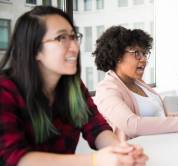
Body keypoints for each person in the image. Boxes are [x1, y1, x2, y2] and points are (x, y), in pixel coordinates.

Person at [0, 6, 147, 166]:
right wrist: (95, 161)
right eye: (61, 38)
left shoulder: (73, 86)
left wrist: (121, 152)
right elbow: (14, 158)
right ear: (34, 49)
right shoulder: (5, 90)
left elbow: (96, 127)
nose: (75, 47)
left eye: (73, 36)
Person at [92, 26, 178, 140]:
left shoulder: (139, 83)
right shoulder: (107, 89)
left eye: (144, 53)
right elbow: (133, 125)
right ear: (117, 56)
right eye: (136, 53)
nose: (143, 60)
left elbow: (158, 116)